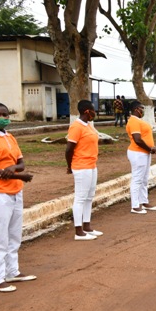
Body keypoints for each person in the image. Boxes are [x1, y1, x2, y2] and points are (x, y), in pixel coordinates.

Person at [0, 102, 35, 293]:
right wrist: (20, 175)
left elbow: (21, 162)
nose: (4, 117)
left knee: (14, 236)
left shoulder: (10, 136)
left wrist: (14, 169)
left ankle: (12, 271)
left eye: (6, 114)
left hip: (15, 191)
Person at [66, 100, 103, 240]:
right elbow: (69, 149)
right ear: (87, 111)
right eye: (93, 110)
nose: (95, 112)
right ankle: (78, 231)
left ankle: (87, 226)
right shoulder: (76, 127)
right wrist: (69, 166)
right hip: (81, 166)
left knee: (89, 197)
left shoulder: (88, 125)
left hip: (92, 165)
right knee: (80, 198)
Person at [126, 101, 156, 212]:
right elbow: (137, 139)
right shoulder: (133, 121)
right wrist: (150, 149)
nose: (143, 110)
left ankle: (143, 201)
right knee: (137, 178)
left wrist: (150, 149)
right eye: (142, 108)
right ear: (136, 109)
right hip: (138, 152)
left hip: (144, 153)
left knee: (144, 179)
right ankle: (135, 205)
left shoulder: (138, 121)